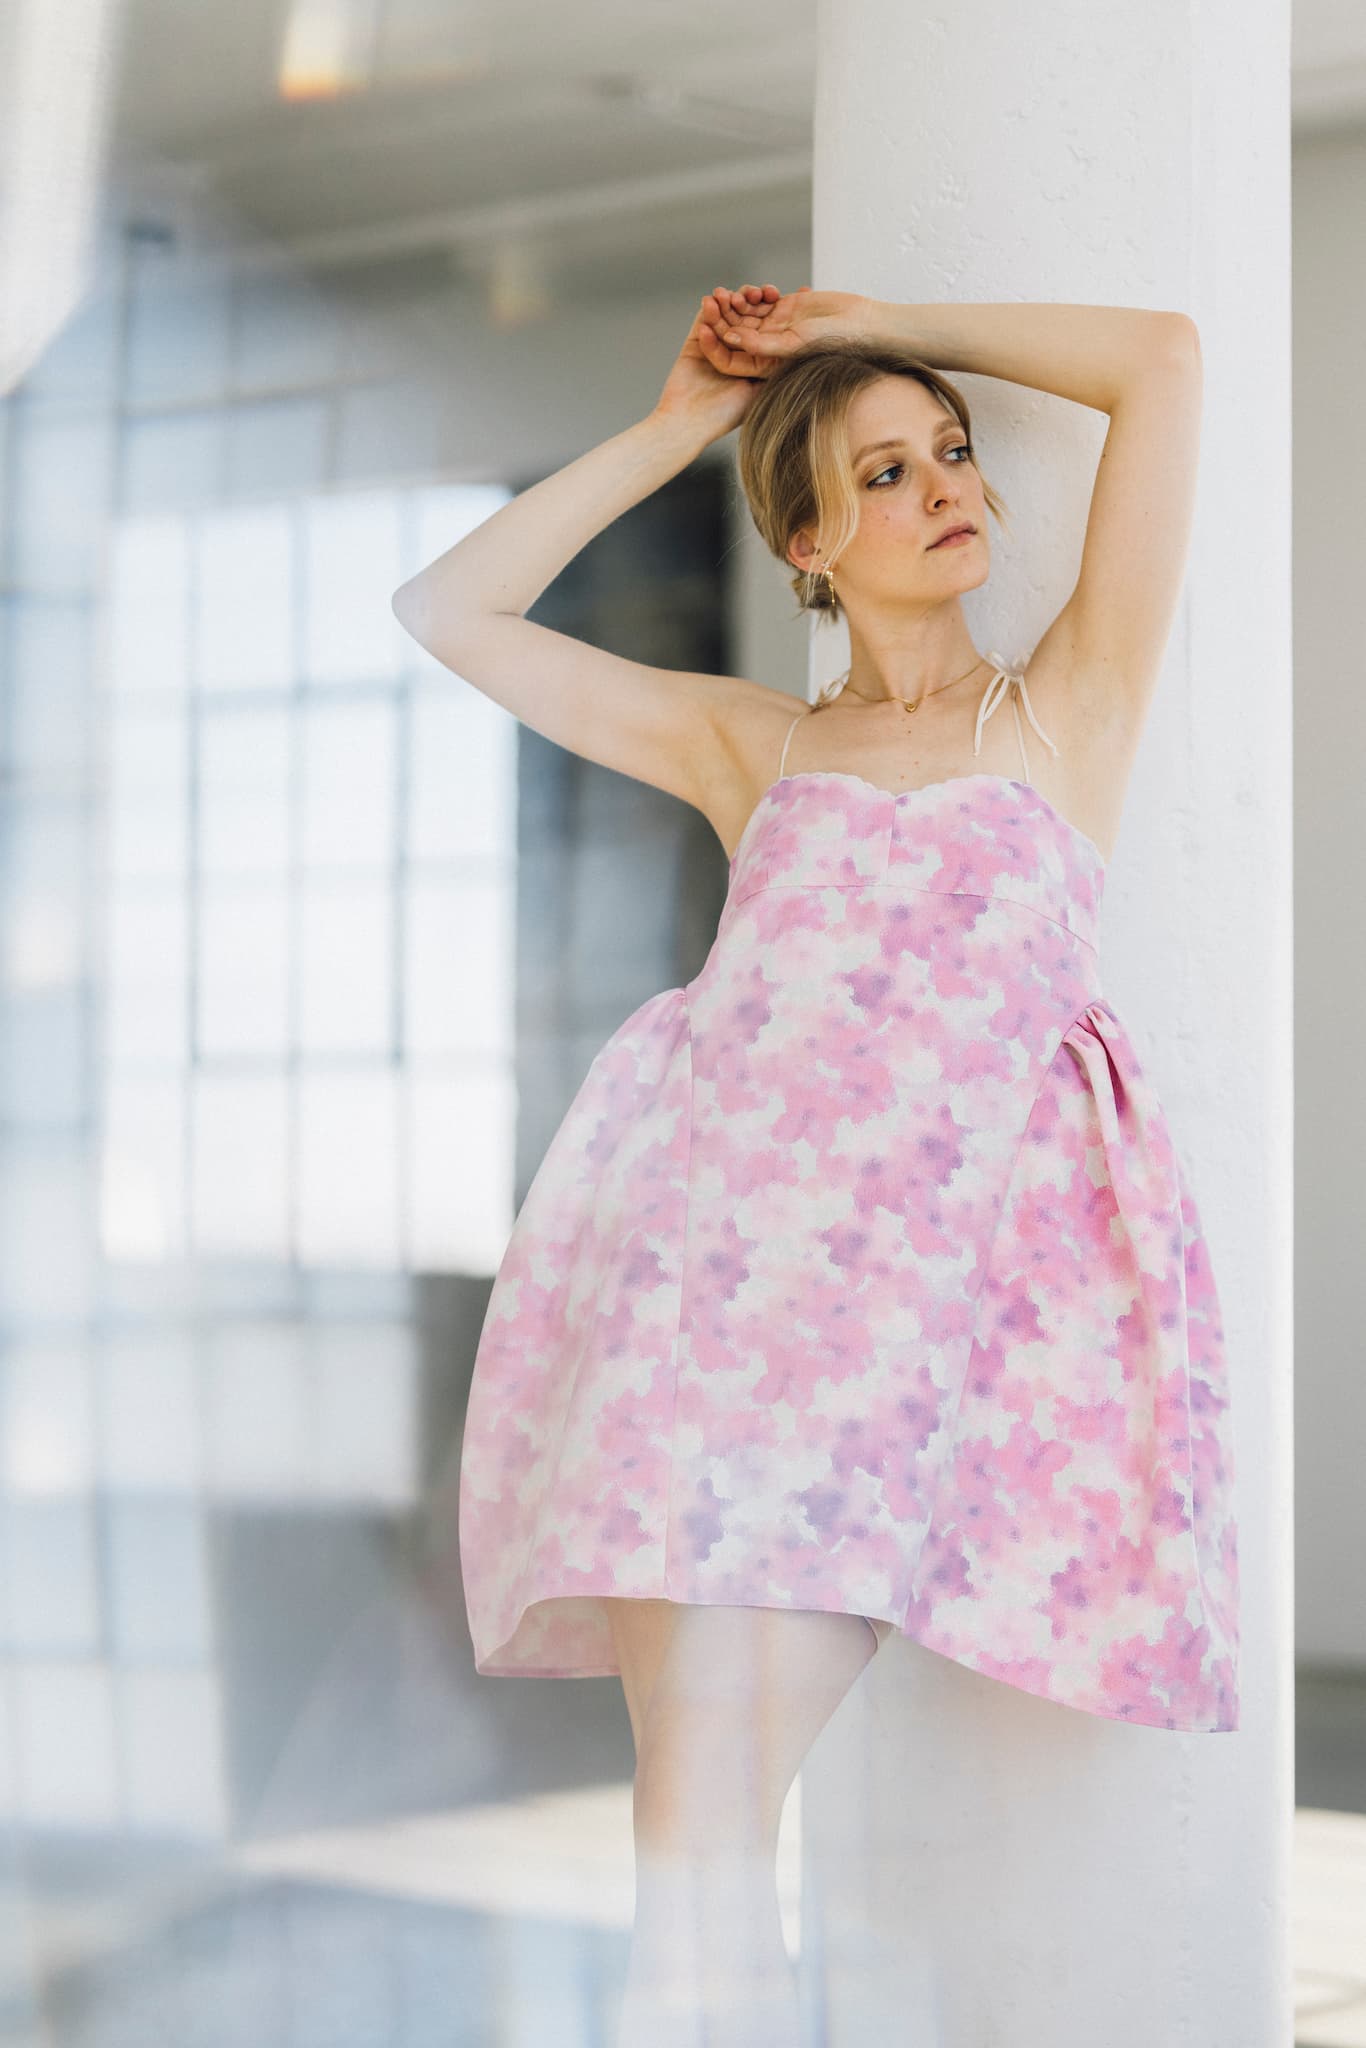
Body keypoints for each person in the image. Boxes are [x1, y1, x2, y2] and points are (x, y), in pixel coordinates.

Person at [392, 284, 1239, 2047]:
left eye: (948, 453)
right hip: (691, 1327)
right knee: (689, 1837)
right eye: (882, 469)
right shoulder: (753, 750)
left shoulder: (1062, 718)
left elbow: (1160, 361)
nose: (945, 483)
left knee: (708, 1831)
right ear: (805, 541)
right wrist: (675, 425)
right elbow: (446, 611)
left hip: (890, 1374)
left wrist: (872, 318)